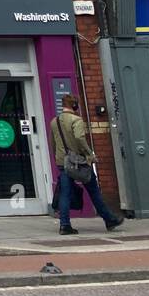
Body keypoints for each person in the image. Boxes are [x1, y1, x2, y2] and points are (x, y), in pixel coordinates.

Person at [50, 95, 123, 235]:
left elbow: (52, 142)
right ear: (75, 106)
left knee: (65, 193)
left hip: (63, 162)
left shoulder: (54, 121)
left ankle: (64, 225)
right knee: (93, 191)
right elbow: (79, 139)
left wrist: (58, 158)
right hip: (79, 162)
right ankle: (109, 219)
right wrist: (90, 154)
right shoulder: (76, 120)